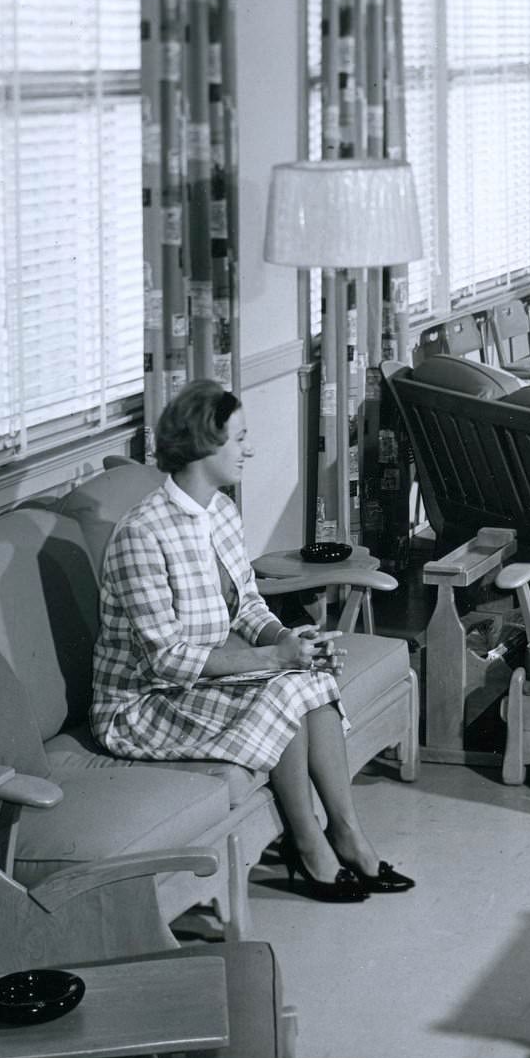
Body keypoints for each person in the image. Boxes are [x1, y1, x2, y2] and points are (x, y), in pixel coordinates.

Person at [93, 380, 412, 903]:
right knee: (284, 687)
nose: (251, 449)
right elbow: (165, 661)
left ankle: (347, 834)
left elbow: (246, 607)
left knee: (309, 673)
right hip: (144, 702)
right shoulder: (141, 535)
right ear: (202, 443)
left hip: (200, 678)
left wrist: (290, 639)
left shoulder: (220, 512)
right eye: (239, 438)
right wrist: (272, 657)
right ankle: (308, 845)